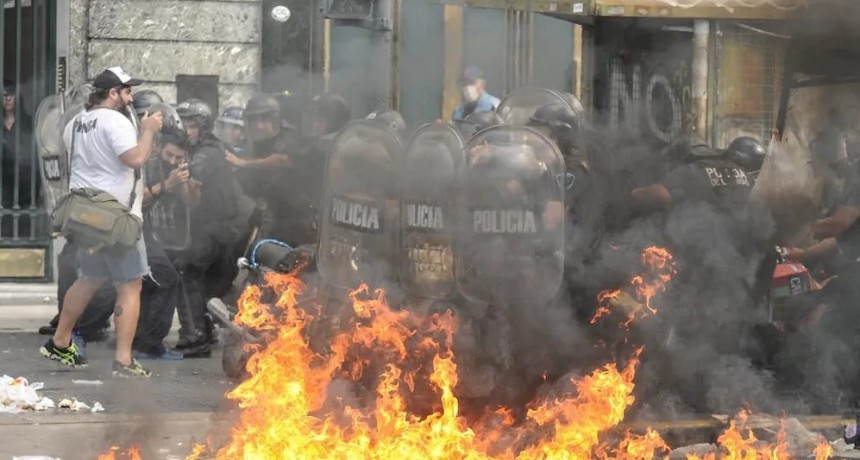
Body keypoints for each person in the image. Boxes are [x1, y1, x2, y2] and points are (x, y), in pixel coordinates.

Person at [40, 67, 163, 377]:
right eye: (126, 91)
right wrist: (148, 130)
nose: (130, 97)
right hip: (116, 220)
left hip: (85, 217)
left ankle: (60, 340)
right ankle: (123, 360)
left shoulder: (75, 124)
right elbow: (134, 159)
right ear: (112, 93)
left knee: (89, 278)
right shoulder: (116, 121)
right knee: (130, 284)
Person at [175, 98, 248, 356]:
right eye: (182, 123)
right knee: (202, 280)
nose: (186, 130)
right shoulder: (199, 148)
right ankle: (205, 330)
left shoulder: (207, 152)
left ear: (203, 127)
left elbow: (193, 181)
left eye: (191, 125)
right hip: (211, 225)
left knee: (186, 270)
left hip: (218, 226)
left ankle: (195, 336)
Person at [2, 80, 36, 238]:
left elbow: (35, 153)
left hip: (24, 185)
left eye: (11, 95)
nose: (7, 98)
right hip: (2, 185)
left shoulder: (28, 123)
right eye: (3, 95)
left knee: (23, 230)